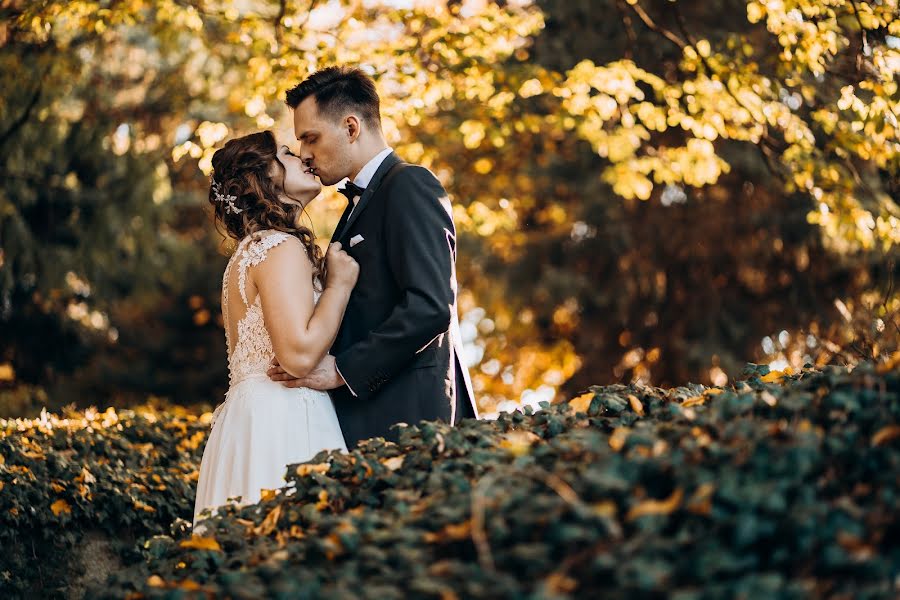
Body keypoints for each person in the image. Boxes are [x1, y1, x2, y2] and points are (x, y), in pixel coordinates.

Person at [267, 66, 479, 447]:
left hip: (413, 421)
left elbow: (431, 306)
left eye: (310, 138)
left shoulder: (409, 184)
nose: (305, 154)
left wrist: (344, 371)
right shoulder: (358, 205)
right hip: (373, 423)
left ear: (351, 127)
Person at [193, 130, 357, 526]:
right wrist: (339, 285)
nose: (303, 155)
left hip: (245, 423)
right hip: (283, 419)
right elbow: (298, 356)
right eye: (286, 151)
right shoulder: (279, 247)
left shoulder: (246, 255)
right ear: (261, 176)